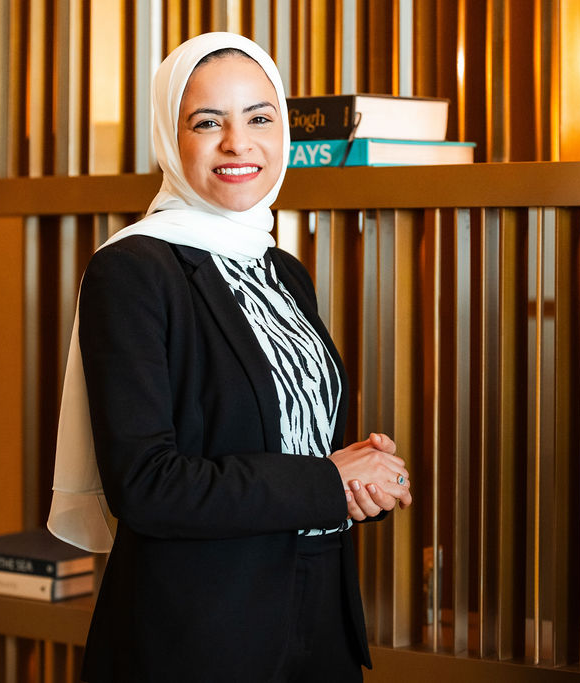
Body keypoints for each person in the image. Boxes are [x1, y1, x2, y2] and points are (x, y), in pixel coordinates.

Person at [48, 32, 412, 683]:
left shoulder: (280, 269)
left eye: (259, 118)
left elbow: (287, 442)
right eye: (207, 122)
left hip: (317, 622)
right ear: (170, 136)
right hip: (199, 638)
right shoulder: (133, 270)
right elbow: (147, 485)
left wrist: (360, 481)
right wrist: (327, 481)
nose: (238, 143)